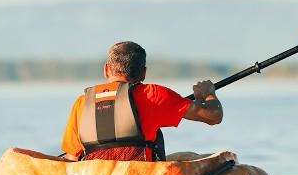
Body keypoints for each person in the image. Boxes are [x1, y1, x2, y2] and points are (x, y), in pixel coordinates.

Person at [61, 41, 223, 161]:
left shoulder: (82, 103)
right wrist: (209, 94)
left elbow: (71, 159)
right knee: (200, 159)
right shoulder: (154, 95)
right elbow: (214, 116)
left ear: (106, 70)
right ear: (143, 74)